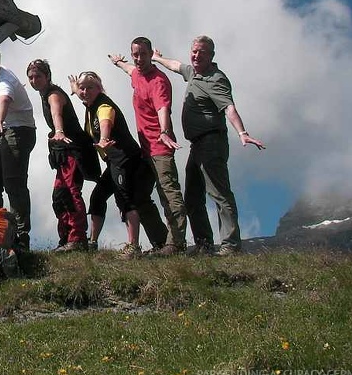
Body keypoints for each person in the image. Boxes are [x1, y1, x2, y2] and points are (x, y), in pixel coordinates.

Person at [152, 35, 265, 256]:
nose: (196, 55)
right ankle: (204, 245)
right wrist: (157, 58)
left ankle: (231, 246)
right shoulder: (194, 72)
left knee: (220, 194)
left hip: (212, 142)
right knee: (193, 196)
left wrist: (242, 133)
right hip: (197, 145)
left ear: (211, 56)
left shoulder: (216, 79)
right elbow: (176, 66)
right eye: (194, 51)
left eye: (201, 52)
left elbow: (229, 108)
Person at [69, 71, 168, 258]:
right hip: (114, 161)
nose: (85, 91)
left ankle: (133, 246)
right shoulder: (89, 103)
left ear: (99, 88)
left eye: (90, 87)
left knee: (126, 199)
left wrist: (104, 139)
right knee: (98, 197)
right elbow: (82, 92)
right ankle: (92, 242)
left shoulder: (104, 105)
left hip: (126, 160)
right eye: (83, 88)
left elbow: (105, 121)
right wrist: (76, 89)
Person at [108, 37, 187, 256]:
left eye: (144, 54)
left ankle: (176, 244)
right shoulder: (137, 74)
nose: (139, 58)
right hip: (145, 151)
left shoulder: (158, 81)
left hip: (160, 147)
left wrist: (164, 131)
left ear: (151, 53)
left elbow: (163, 108)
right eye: (136, 54)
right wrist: (118, 62)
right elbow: (130, 70)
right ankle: (162, 242)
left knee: (169, 194)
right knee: (139, 197)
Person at [27, 59, 100, 252]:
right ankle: (66, 238)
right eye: (31, 77)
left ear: (47, 77)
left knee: (70, 191)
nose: (34, 80)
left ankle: (78, 239)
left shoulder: (53, 95)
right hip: (64, 150)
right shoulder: (46, 94)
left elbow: (57, 113)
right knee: (59, 195)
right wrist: (76, 91)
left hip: (73, 148)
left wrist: (58, 131)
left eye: (38, 76)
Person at [0, 44, 36, 250]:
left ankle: (21, 237)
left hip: (19, 132)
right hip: (5, 133)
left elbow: (4, 99)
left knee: (14, 183)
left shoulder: (4, 81)